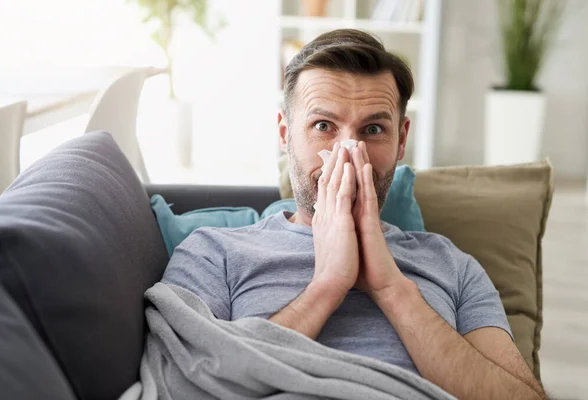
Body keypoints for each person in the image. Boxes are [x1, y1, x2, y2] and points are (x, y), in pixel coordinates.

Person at [162, 29, 545, 399]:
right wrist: (328, 284)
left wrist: (390, 288)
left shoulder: (453, 265)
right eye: (323, 126)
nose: (348, 152)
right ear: (285, 134)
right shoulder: (213, 252)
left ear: (401, 140)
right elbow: (182, 384)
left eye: (374, 128)